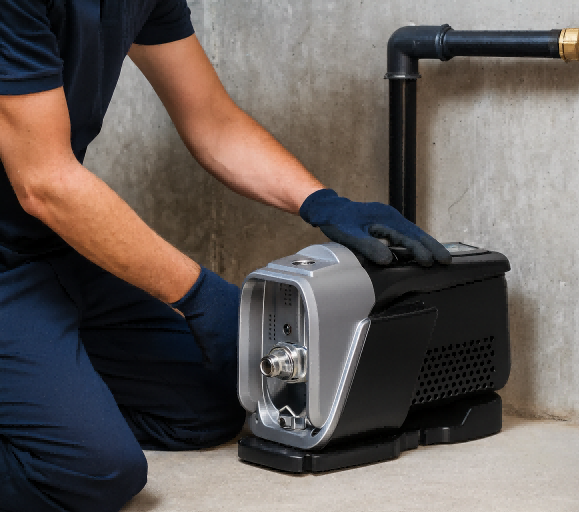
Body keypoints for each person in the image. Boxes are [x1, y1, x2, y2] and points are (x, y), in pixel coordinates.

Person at [0, 1, 451, 511]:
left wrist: (322, 202)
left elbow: (209, 117)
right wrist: (198, 295)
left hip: (46, 248)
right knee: (92, 470)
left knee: (211, 401)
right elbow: (46, 182)